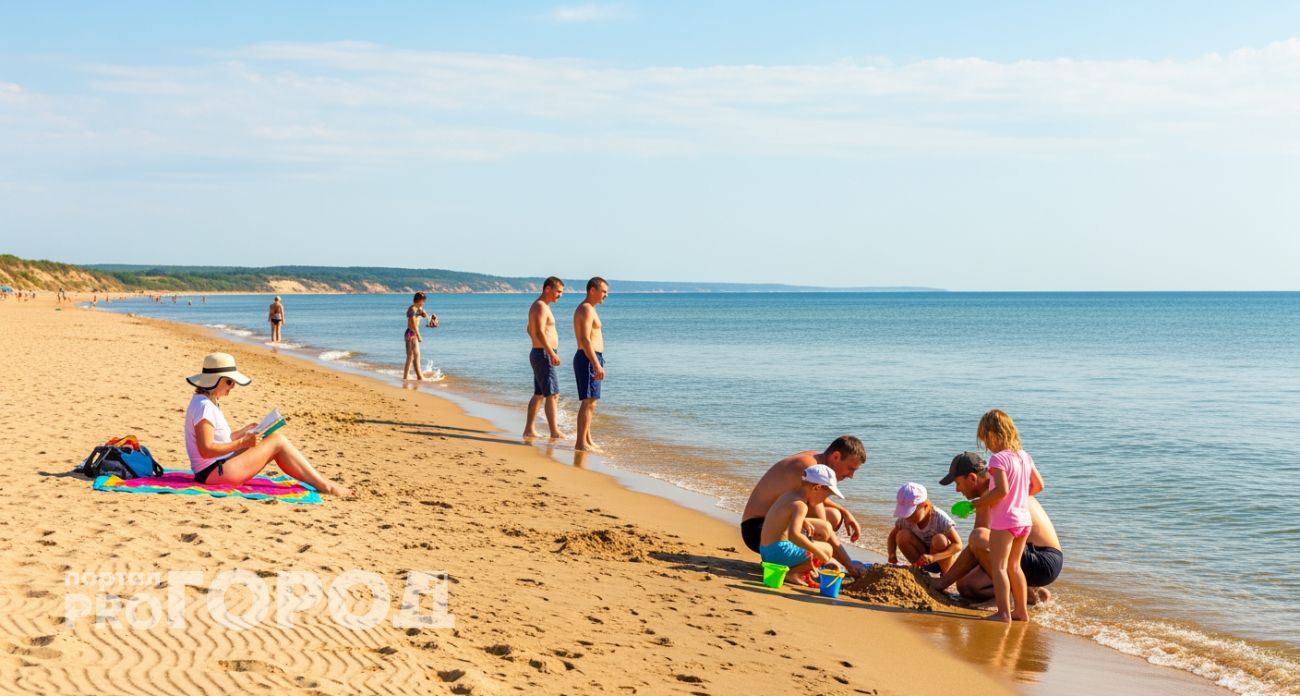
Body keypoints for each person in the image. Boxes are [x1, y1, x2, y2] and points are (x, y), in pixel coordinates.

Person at [184, 352, 348, 495]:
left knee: (273, 437)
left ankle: (321, 482)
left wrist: (243, 432)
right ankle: (325, 486)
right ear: (215, 380)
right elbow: (206, 450)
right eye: (229, 382)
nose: (233, 386)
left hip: (216, 468)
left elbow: (221, 440)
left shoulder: (206, 402)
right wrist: (242, 443)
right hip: (214, 473)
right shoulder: (204, 407)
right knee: (278, 441)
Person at [931, 451, 1062, 606]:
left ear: (972, 478)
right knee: (967, 585)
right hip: (1036, 557)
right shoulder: (998, 484)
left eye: (958, 483)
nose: (957, 490)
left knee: (978, 536)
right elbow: (978, 550)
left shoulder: (992, 492)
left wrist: (944, 581)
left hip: (1042, 558)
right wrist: (955, 577)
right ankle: (1033, 593)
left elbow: (978, 541)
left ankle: (1018, 597)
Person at [961, 411, 1040, 622]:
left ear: (993, 434)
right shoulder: (1024, 456)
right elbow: (1038, 485)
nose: (987, 446)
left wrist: (977, 503)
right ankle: (1021, 611)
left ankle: (1003, 613)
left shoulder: (998, 459)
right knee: (1015, 567)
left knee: (999, 568)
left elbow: (1002, 491)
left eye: (985, 439)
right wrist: (1019, 496)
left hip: (1005, 521)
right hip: (1024, 520)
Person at [740, 436, 866, 554]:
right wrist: (847, 564)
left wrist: (845, 512)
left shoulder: (815, 460)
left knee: (834, 515)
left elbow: (816, 498)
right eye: (851, 468)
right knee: (826, 525)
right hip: (756, 531)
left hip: (763, 526)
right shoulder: (809, 467)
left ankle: (797, 558)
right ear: (836, 456)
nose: (851, 476)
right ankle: (800, 560)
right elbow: (823, 526)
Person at [758, 464, 861, 585]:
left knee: (824, 529)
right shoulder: (801, 506)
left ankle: (798, 567)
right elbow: (794, 535)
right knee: (827, 550)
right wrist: (819, 553)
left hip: (766, 551)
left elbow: (781, 516)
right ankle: (794, 573)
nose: (824, 501)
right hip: (779, 553)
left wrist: (803, 521)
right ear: (817, 488)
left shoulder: (790, 495)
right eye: (826, 495)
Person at [524, 277, 566, 439]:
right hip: (543, 354)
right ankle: (554, 431)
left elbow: (530, 329)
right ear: (548, 289)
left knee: (539, 394)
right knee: (552, 394)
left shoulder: (540, 306)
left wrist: (538, 344)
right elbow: (540, 332)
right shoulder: (541, 306)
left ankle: (529, 429)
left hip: (540, 352)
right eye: (558, 291)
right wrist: (551, 352)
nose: (560, 295)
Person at [887, 482, 962, 574]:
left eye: (911, 514)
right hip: (923, 558)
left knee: (939, 539)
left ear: (925, 506)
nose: (907, 518)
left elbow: (958, 545)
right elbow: (892, 537)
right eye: (905, 513)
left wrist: (934, 557)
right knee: (901, 535)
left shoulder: (940, 518)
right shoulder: (905, 520)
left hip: (942, 559)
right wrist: (892, 554)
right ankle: (918, 570)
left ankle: (946, 576)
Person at [572, 277, 607, 452]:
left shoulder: (590, 309)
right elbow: (585, 339)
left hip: (592, 357)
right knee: (588, 401)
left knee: (592, 402)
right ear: (592, 290)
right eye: (603, 291)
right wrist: (596, 364)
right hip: (588, 357)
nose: (605, 295)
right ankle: (580, 443)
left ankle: (587, 439)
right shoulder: (586, 308)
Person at [403, 292, 437, 380]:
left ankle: (410, 376)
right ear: (419, 300)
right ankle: (416, 377)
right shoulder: (412, 309)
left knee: (414, 356)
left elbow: (426, 319)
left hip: (412, 333)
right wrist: (418, 335)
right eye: (423, 301)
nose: (424, 303)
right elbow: (413, 324)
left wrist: (430, 317)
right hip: (411, 333)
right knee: (412, 356)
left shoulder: (418, 309)